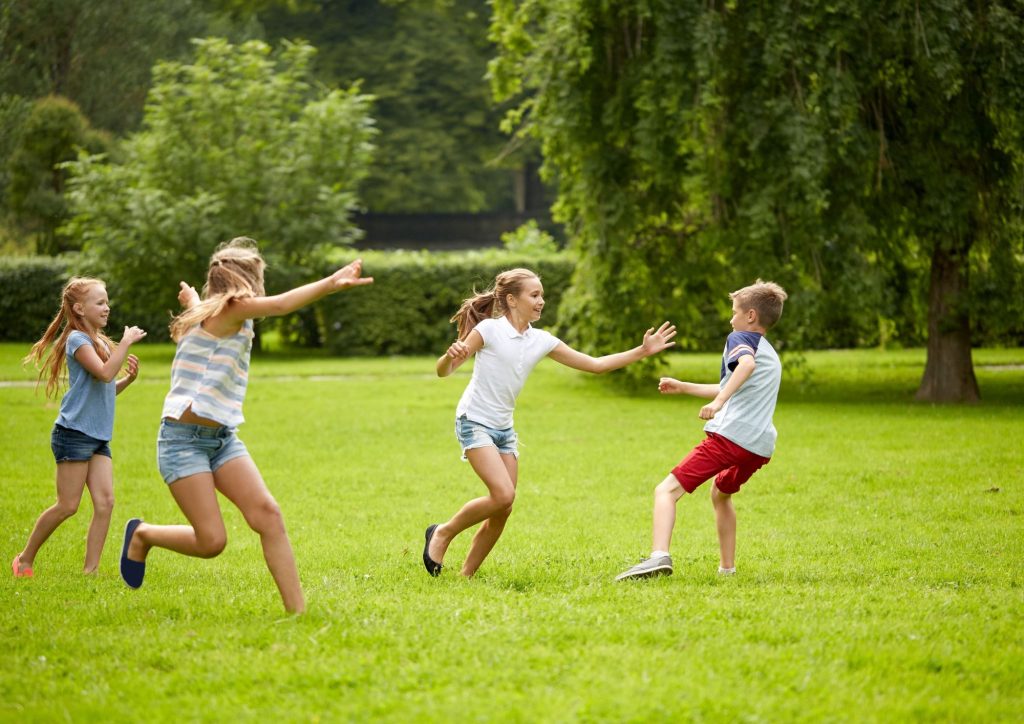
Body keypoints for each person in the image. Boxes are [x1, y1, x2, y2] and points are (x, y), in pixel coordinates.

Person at [118, 237, 372, 614]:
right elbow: (284, 304)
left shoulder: (207, 312)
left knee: (268, 515)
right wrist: (331, 283)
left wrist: (191, 301)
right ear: (247, 281)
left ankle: (297, 612)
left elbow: (205, 315)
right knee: (211, 542)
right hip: (182, 442)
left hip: (221, 438)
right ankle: (142, 534)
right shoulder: (235, 308)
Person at [423, 268, 677, 578]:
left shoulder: (540, 340)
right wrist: (449, 357)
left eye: (542, 295)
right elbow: (443, 371)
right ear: (512, 300)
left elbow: (595, 366)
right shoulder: (489, 330)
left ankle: (467, 576)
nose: (541, 301)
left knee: (504, 508)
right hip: (474, 420)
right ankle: (443, 533)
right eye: (535, 295)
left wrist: (643, 351)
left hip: (504, 430)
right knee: (502, 494)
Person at [615, 279, 787, 581]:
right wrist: (683, 387)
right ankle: (727, 569)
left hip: (731, 437)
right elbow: (733, 384)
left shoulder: (740, 338)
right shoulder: (770, 353)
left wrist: (719, 402)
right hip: (759, 446)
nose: (730, 318)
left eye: (734, 311)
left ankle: (658, 557)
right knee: (721, 493)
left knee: (665, 491)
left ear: (750, 317)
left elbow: (743, 367)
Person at [13, 278, 146, 578]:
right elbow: (103, 373)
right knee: (68, 505)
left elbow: (105, 388)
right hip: (73, 434)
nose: (106, 307)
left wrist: (129, 380)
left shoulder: (97, 340)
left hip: (98, 437)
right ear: (79, 308)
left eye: (106, 301)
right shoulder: (77, 341)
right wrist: (124, 344)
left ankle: (91, 572)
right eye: (100, 302)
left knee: (105, 502)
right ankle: (24, 559)